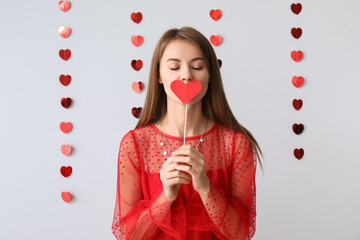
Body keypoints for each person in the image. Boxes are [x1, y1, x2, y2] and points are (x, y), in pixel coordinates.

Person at [112, 26, 263, 240]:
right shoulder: (135, 144)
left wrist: (205, 188)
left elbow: (240, 234)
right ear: (158, 75)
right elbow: (129, 235)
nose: (186, 75)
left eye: (197, 66)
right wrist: (166, 197)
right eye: (174, 67)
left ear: (210, 75)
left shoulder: (235, 143)